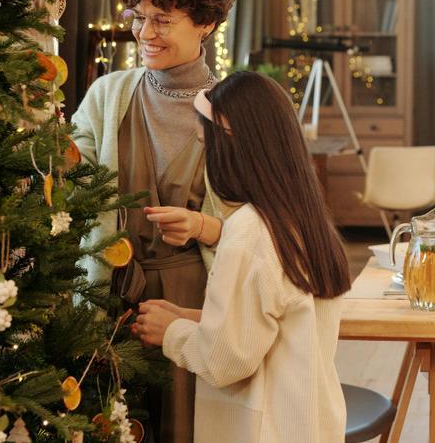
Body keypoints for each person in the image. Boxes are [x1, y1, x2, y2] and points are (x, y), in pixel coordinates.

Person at [72, 0, 236, 441]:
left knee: (184, 426)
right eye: (139, 18)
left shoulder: (237, 108)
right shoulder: (108, 94)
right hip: (108, 292)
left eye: (162, 20)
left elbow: (274, 224)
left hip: (195, 301)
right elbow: (72, 180)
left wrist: (206, 227)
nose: (144, 34)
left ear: (205, 22)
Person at [132, 72, 351, 442]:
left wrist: (170, 332)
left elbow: (226, 361)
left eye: (206, 146)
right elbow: (270, 325)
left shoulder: (249, 231)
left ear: (232, 146)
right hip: (311, 422)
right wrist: (194, 318)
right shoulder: (302, 218)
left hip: (264, 430)